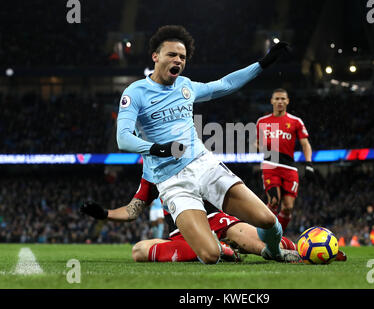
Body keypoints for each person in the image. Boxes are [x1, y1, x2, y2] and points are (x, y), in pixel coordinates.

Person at [114, 25, 294, 264]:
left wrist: (262, 64)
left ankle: (273, 251)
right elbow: (122, 138)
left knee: (268, 220)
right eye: (172, 54)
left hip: (204, 165)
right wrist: (158, 148)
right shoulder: (135, 92)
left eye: (182, 57)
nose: (178, 59)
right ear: (155, 56)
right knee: (210, 255)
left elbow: (226, 84)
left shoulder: (186, 86)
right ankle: (190, 242)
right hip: (172, 182)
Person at [80, 179, 300, 263]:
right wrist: (105, 214)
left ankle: (314, 250)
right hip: (185, 234)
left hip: (218, 221)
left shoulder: (198, 156)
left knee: (269, 248)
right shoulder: (152, 174)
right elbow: (133, 210)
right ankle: (218, 249)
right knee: (138, 251)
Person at [256, 88, 314, 232]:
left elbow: (305, 144)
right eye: (277, 99)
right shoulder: (262, 121)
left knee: (288, 207)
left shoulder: (296, 121)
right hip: (271, 165)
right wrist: (261, 147)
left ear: (287, 101)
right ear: (272, 101)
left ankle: (277, 236)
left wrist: (309, 164)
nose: (280, 101)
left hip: (289, 167)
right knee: (274, 202)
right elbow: (256, 142)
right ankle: (261, 235)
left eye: (283, 99)